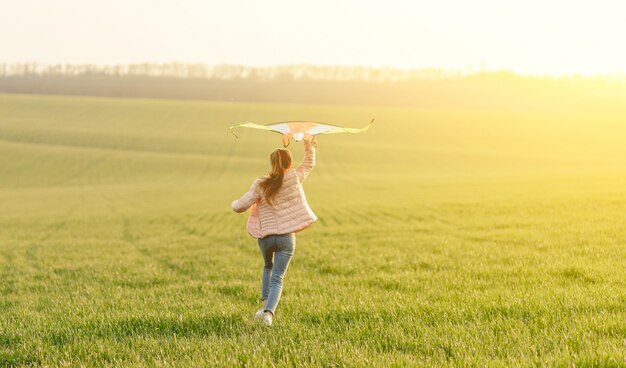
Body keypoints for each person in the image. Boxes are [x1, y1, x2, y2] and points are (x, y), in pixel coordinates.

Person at [231, 136, 318, 326]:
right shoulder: (294, 176)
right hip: (286, 238)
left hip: (266, 238)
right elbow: (309, 163)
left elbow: (240, 206)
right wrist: (309, 143)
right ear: (290, 163)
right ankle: (268, 314)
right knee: (278, 277)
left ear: (271, 163)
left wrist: (233, 204)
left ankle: (263, 306)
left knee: (267, 267)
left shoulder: (261, 184)